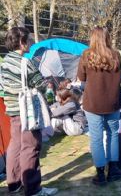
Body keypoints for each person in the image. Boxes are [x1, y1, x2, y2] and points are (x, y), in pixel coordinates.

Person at [0, 27, 58, 195]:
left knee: (15, 145)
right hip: (28, 112)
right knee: (31, 147)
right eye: (29, 40)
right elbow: (41, 84)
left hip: (12, 110)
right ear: (21, 42)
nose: (31, 43)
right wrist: (49, 86)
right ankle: (33, 188)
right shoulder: (25, 62)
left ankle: (14, 183)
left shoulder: (5, 62)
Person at [77, 27, 121, 186]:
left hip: (93, 102)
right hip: (112, 101)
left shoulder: (86, 55)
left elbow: (81, 78)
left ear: (93, 38)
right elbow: (120, 78)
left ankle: (100, 175)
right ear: (107, 37)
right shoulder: (116, 54)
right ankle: (113, 170)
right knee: (113, 134)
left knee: (97, 137)